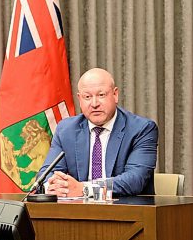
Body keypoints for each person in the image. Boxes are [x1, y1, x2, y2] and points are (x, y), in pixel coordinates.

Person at [39, 68, 158, 197]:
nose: (94, 104)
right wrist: (53, 186)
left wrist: (85, 189)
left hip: (126, 211)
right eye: (87, 97)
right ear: (79, 99)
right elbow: (46, 174)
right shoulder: (66, 130)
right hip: (76, 212)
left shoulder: (141, 129)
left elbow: (135, 180)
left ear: (115, 94)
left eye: (101, 95)